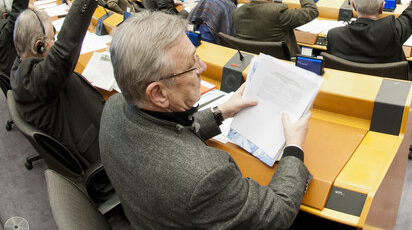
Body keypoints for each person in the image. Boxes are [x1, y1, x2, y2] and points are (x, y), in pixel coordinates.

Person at [99, 11, 311, 229]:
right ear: (159, 94)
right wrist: (294, 147)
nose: (203, 68)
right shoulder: (205, 177)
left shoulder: (114, 107)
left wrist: (221, 112)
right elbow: (278, 212)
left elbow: (167, 134)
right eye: (192, 64)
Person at [10, 0, 106, 168]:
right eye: (53, 37)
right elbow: (65, 49)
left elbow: (16, 12)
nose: (56, 41)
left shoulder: (20, 65)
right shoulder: (35, 81)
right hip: (99, 152)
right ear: (40, 46)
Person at [233, 0, 318, 56]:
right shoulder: (278, 12)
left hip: (251, 60)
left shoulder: (236, 12)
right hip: (282, 63)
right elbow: (312, 10)